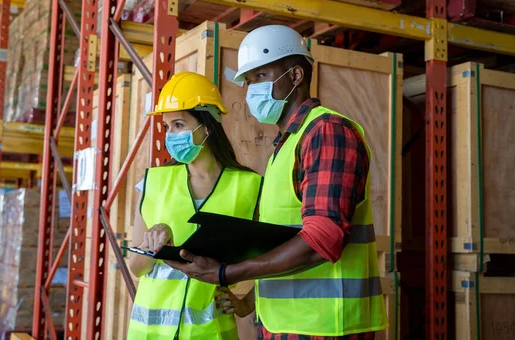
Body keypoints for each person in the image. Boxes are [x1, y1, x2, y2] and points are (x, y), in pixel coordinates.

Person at [166, 26, 388, 339]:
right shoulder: (285, 146)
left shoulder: (326, 133)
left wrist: (226, 273)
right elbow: (283, 243)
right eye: (248, 81)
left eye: (261, 76)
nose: (251, 90)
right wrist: (249, 301)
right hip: (282, 325)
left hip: (325, 327)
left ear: (296, 76)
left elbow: (321, 242)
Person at [127, 71, 263, 340]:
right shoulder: (153, 182)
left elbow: (276, 258)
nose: (170, 135)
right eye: (167, 127)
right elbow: (137, 267)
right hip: (150, 333)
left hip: (211, 332)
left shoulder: (249, 187)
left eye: (179, 124)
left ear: (207, 126)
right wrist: (152, 244)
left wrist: (247, 303)